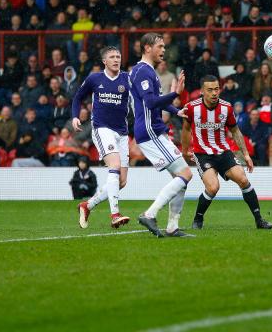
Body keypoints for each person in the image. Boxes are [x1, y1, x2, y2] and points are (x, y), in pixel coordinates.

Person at [182, 75, 272, 230]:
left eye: (216, 89)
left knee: (243, 180)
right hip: (202, 153)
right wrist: (185, 151)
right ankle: (198, 219)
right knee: (213, 187)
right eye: (210, 90)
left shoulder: (226, 107)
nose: (214, 93)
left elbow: (235, 130)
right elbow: (185, 129)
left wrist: (245, 154)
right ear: (202, 91)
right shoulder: (191, 108)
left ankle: (259, 220)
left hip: (224, 151)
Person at [129, 33, 194, 238]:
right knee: (186, 174)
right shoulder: (142, 72)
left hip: (153, 129)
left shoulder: (148, 71)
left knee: (180, 177)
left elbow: (156, 100)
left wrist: (176, 111)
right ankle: (150, 214)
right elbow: (150, 103)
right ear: (147, 48)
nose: (164, 50)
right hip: (150, 130)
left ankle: (173, 227)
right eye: (160, 46)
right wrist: (175, 93)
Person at [72, 47, 131, 229]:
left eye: (118, 56)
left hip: (122, 132)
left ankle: (87, 205)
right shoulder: (94, 78)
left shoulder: (127, 79)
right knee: (113, 166)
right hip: (102, 128)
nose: (116, 59)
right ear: (104, 61)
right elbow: (77, 98)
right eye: (112, 57)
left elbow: (144, 100)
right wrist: (75, 116)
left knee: (121, 181)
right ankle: (115, 214)